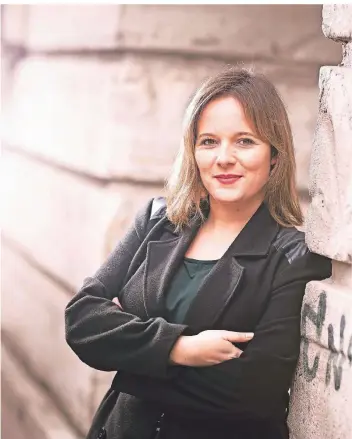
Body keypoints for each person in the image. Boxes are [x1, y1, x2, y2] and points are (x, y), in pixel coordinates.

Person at [65, 67, 331, 439]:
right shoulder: (156, 221)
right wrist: (178, 348)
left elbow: (253, 394)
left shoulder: (294, 258)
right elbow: (81, 320)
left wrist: (124, 352)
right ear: (192, 151)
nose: (224, 158)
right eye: (208, 141)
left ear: (275, 155)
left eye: (244, 141)